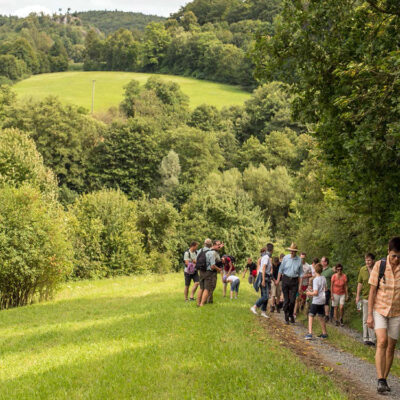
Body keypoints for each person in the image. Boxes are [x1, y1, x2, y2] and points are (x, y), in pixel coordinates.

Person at [367, 237, 400, 394]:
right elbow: (372, 291)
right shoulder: (380, 266)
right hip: (379, 309)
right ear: (388, 252)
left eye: (399, 256)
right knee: (382, 341)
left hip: (397, 312)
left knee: (391, 346)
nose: (396, 259)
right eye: (394, 256)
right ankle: (380, 379)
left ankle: (384, 380)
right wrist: (369, 316)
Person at [276, 243, 303, 324]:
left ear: (296, 252)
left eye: (293, 251)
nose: (291, 252)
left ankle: (291, 315)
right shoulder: (285, 258)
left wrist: (300, 286)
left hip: (294, 281)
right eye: (291, 251)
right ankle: (286, 316)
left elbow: (301, 274)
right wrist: (277, 280)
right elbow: (280, 270)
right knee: (286, 300)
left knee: (292, 300)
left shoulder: (299, 260)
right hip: (286, 279)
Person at [356, 253, 376, 346]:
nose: (367, 262)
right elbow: (359, 283)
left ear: (373, 260)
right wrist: (357, 296)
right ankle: (365, 338)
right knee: (365, 318)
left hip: (376, 299)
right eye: (366, 260)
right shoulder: (362, 269)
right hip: (365, 297)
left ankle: (373, 339)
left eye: (369, 260)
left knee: (374, 319)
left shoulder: (377, 268)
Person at [304, 263, 328, 340]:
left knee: (311, 315)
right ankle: (324, 333)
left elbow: (315, 293)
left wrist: (309, 293)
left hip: (316, 300)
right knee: (321, 316)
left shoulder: (315, 280)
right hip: (322, 299)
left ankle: (310, 333)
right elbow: (326, 289)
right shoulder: (324, 278)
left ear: (315, 270)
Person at [197, 239, 222, 307]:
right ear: (211, 244)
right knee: (207, 288)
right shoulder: (211, 253)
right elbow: (212, 266)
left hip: (201, 271)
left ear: (204, 244)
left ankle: (198, 303)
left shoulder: (200, 250)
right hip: (208, 272)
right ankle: (202, 304)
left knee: (201, 288)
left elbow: (197, 260)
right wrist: (219, 269)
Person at [250, 249, 272, 318]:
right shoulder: (266, 257)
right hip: (264, 276)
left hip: (266, 277)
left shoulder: (265, 257)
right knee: (265, 296)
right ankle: (254, 307)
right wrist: (263, 280)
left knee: (265, 295)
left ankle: (263, 311)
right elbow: (263, 268)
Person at [321, 256, 334, 322]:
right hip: (320, 289)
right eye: (321, 261)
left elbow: (333, 280)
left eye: (322, 261)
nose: (321, 262)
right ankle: (321, 314)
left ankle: (327, 315)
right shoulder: (320, 269)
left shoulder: (330, 270)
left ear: (326, 262)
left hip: (327, 289)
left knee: (326, 302)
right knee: (321, 302)